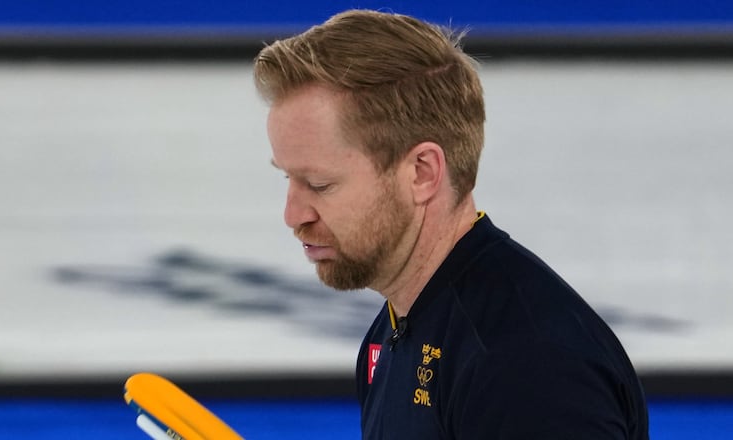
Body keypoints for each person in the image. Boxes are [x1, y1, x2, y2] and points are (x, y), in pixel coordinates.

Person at [253, 9, 649, 439]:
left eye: (320, 184)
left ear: (422, 172)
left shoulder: (523, 363)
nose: (293, 215)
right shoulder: (391, 332)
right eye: (287, 178)